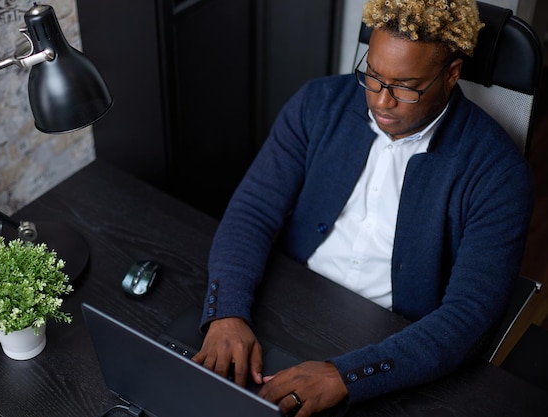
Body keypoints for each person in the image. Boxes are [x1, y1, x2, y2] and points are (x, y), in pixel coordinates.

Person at [191, 0, 534, 416]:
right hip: (286, 304)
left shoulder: (497, 172)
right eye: (372, 75)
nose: (382, 101)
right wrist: (226, 313)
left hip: (394, 344)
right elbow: (252, 212)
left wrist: (347, 376)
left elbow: (469, 316)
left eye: (405, 86)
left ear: (451, 75)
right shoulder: (317, 104)